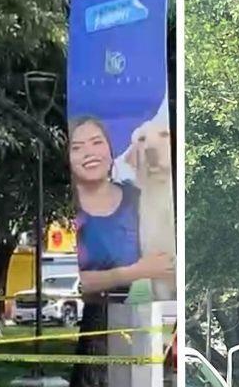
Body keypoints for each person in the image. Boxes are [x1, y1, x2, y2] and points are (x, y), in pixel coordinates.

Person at [69, 116, 174, 297]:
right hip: (89, 315)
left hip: (149, 312)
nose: (89, 152)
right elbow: (69, 280)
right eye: (77, 147)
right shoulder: (66, 212)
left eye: (97, 142)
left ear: (111, 151)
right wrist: (136, 272)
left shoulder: (138, 197)